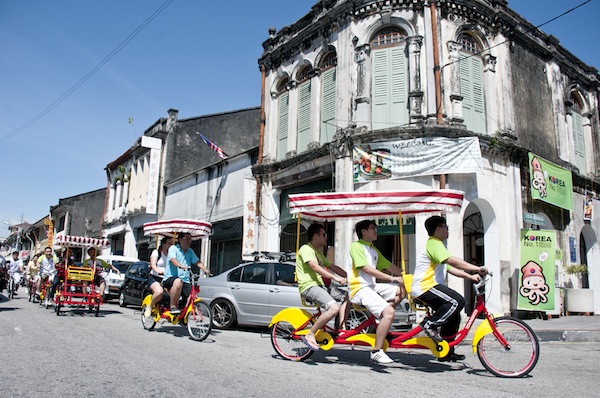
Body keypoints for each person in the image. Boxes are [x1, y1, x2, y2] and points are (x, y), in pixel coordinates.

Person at [412, 215, 488, 362]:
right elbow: (453, 261)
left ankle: (447, 352)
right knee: (458, 301)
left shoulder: (439, 246)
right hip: (424, 287)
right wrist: (477, 268)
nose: (448, 231)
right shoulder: (434, 244)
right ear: (439, 229)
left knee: (454, 315)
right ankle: (429, 324)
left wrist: (471, 276)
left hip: (430, 287)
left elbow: (450, 268)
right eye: (446, 228)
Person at [348, 220, 406, 364]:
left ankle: (381, 319)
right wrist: (392, 279)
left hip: (371, 287)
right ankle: (376, 351)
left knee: (401, 291)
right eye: (372, 228)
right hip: (359, 288)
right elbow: (367, 269)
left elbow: (390, 266)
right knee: (389, 313)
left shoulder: (373, 249)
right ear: (363, 232)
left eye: (375, 228)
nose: (376, 231)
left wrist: (406, 275)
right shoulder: (356, 246)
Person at [296, 223, 348, 351]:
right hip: (309, 286)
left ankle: (341, 328)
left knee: (350, 295)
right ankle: (310, 334)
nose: (326, 237)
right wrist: (335, 277)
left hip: (321, 286)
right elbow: (315, 267)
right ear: (315, 236)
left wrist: (350, 276)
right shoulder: (305, 249)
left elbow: (333, 267)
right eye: (324, 235)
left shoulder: (318, 254)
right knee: (334, 308)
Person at [164, 232, 211, 314]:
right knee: (178, 282)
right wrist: (180, 265)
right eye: (186, 239)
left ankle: (185, 314)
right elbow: (172, 259)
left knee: (191, 295)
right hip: (171, 278)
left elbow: (197, 261)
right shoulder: (173, 248)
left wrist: (205, 269)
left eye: (190, 239)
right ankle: (173, 306)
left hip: (185, 280)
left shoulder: (190, 251)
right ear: (180, 239)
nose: (189, 241)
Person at [144, 236, 173, 317]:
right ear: (163, 244)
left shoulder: (172, 254)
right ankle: (150, 307)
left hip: (166, 278)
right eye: (169, 243)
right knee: (159, 291)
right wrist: (157, 270)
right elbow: (153, 264)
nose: (170, 245)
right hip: (155, 277)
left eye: (172, 244)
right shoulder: (156, 252)